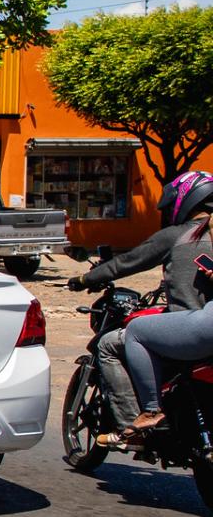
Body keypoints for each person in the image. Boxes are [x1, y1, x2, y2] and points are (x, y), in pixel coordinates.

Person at [67, 170, 213, 433]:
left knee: (114, 342)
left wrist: (84, 279)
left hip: (194, 329)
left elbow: (126, 262)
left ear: (187, 199)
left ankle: (141, 418)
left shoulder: (178, 235)